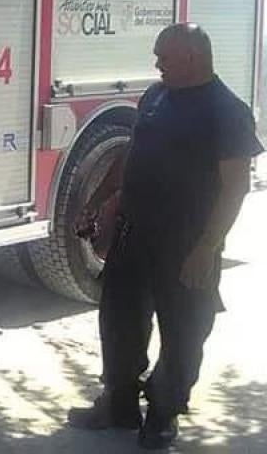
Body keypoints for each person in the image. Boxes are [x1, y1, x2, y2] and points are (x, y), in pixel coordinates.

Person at [67, 23, 262, 449]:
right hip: (133, 233)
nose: (156, 64)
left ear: (192, 56)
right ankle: (118, 402)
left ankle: (162, 412)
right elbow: (131, 154)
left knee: (184, 330)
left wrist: (207, 248)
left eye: (163, 56)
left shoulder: (226, 110)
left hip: (187, 241)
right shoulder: (156, 96)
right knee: (118, 322)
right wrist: (101, 199)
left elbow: (235, 187)